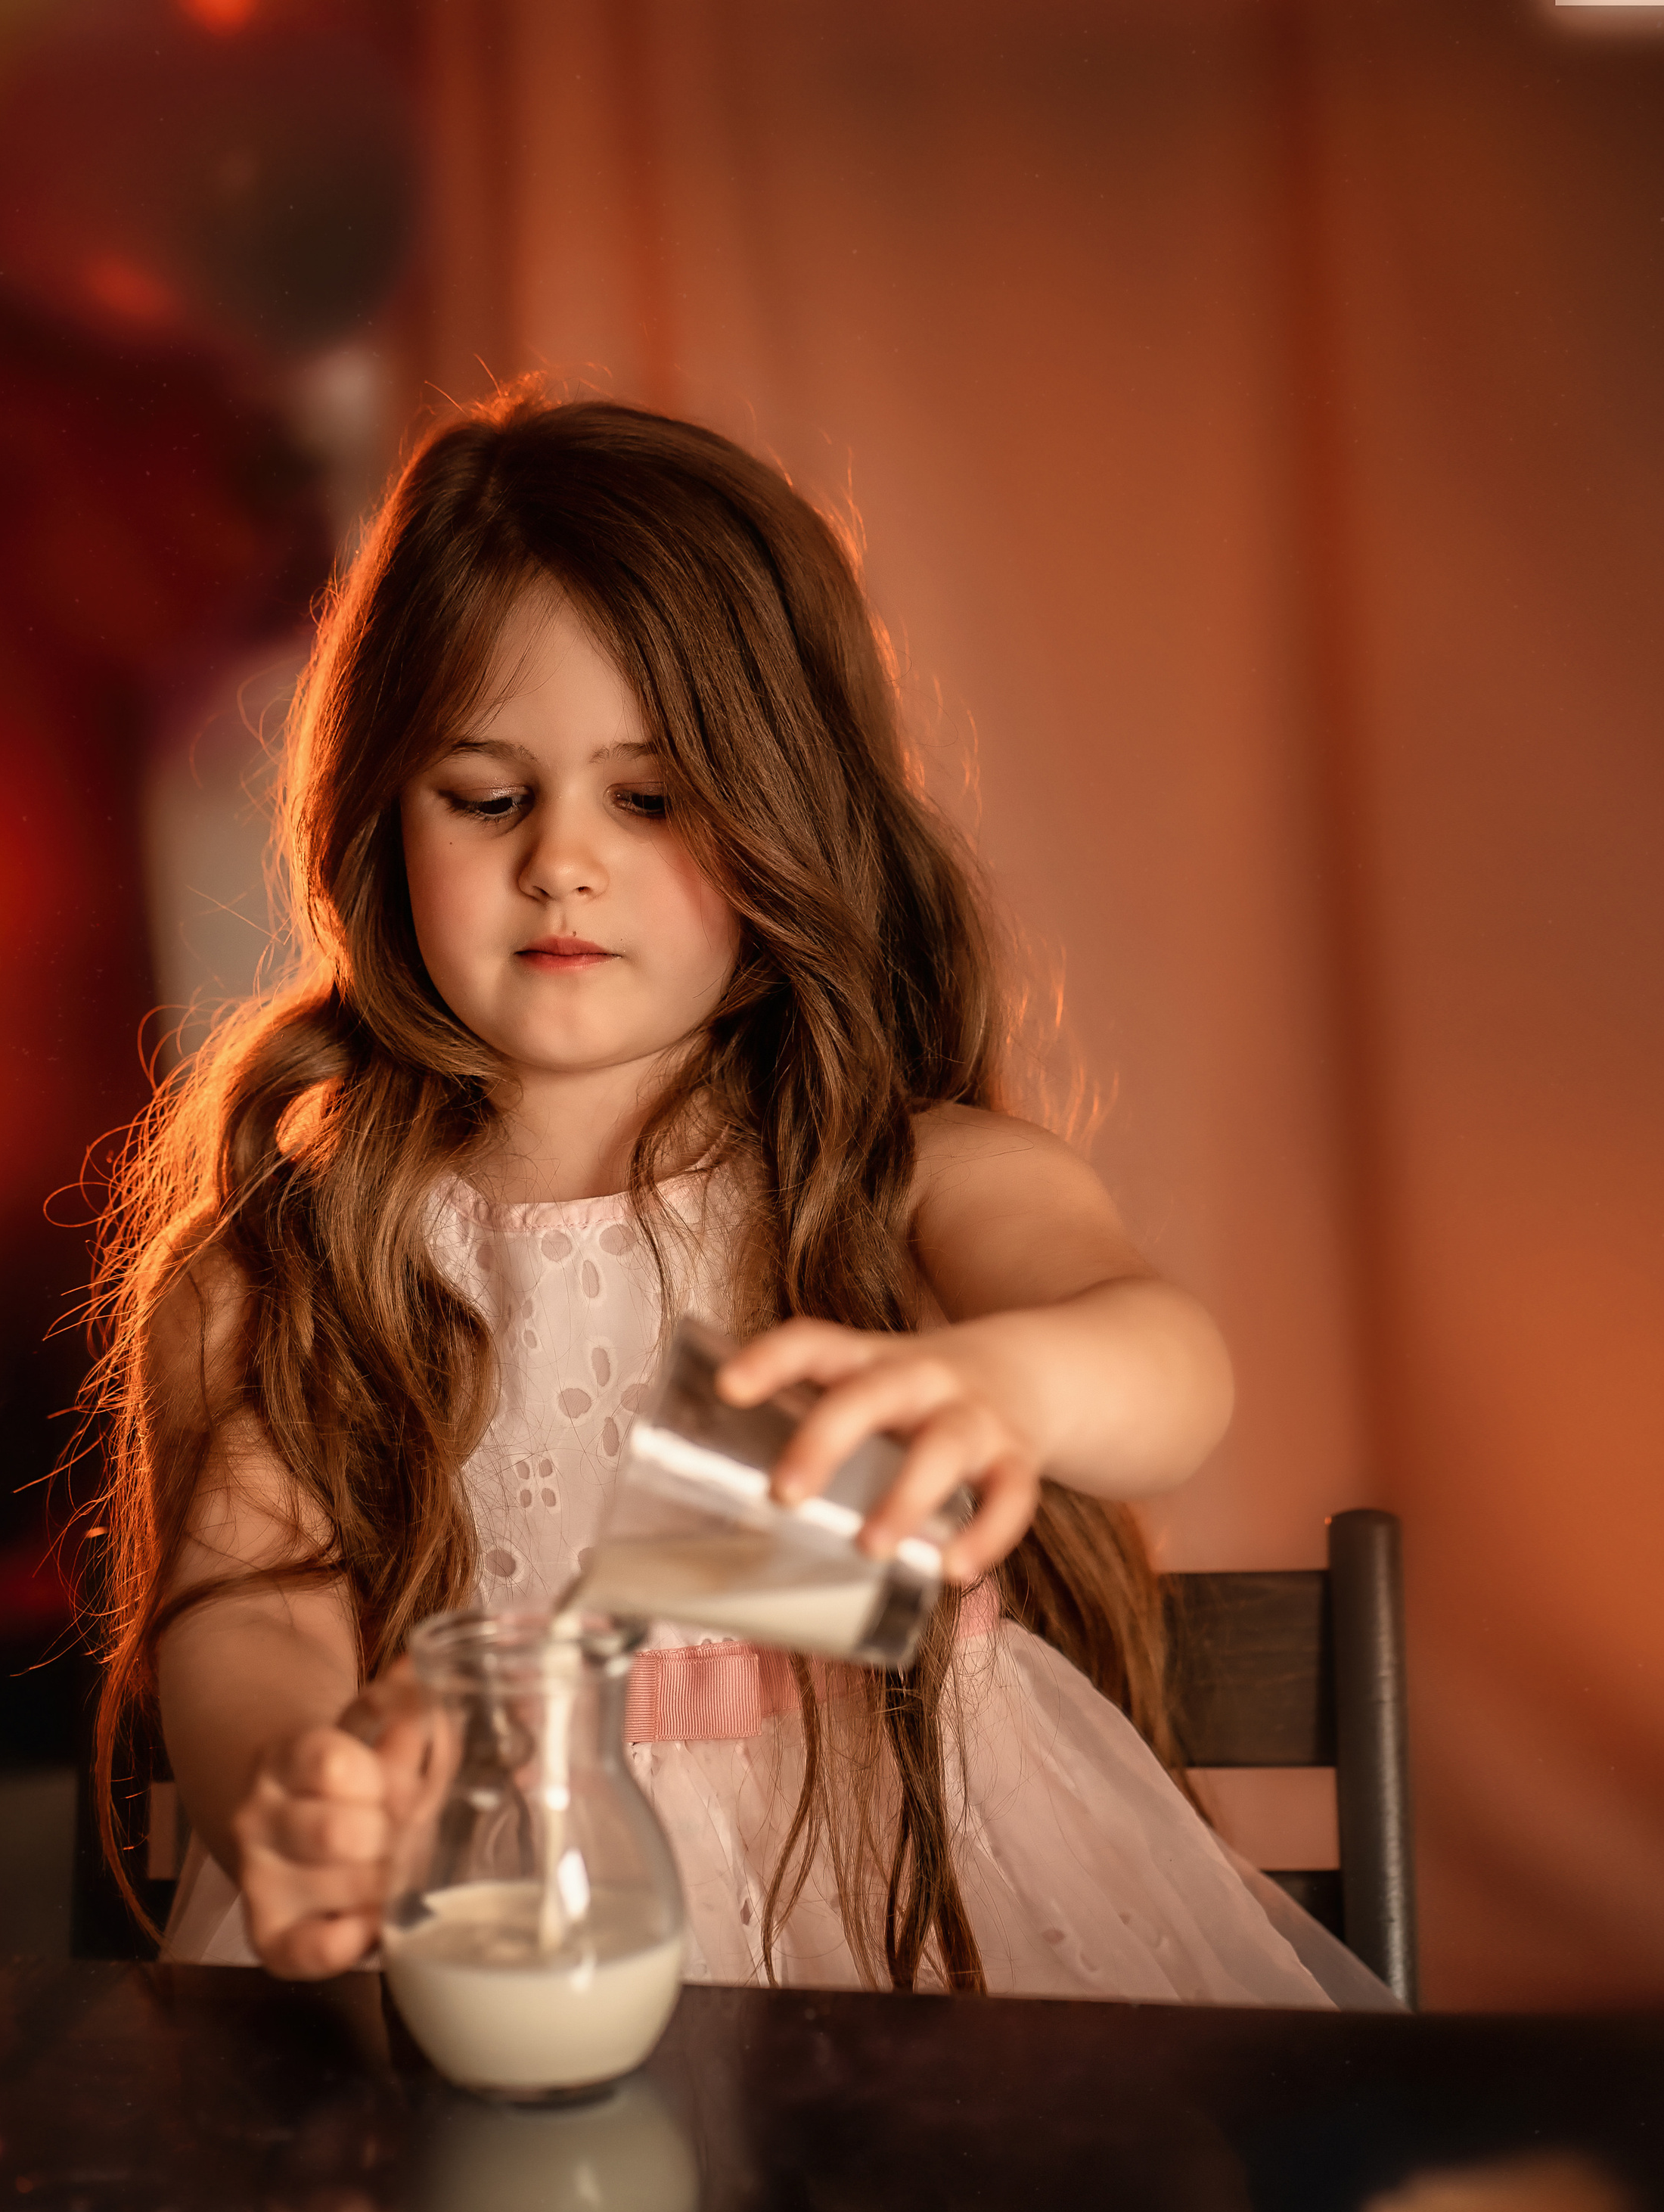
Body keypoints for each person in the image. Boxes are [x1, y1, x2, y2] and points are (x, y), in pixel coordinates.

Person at [85, 391, 1393, 2009]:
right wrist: (296, 1778)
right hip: (499, 1927)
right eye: (487, 796)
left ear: (780, 806)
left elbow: (1161, 1364)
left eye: (648, 797)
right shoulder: (296, 1263)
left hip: (913, 1942)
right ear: (377, 815)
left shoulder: (880, 1182)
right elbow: (252, 1615)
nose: (562, 860)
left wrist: (999, 1384)